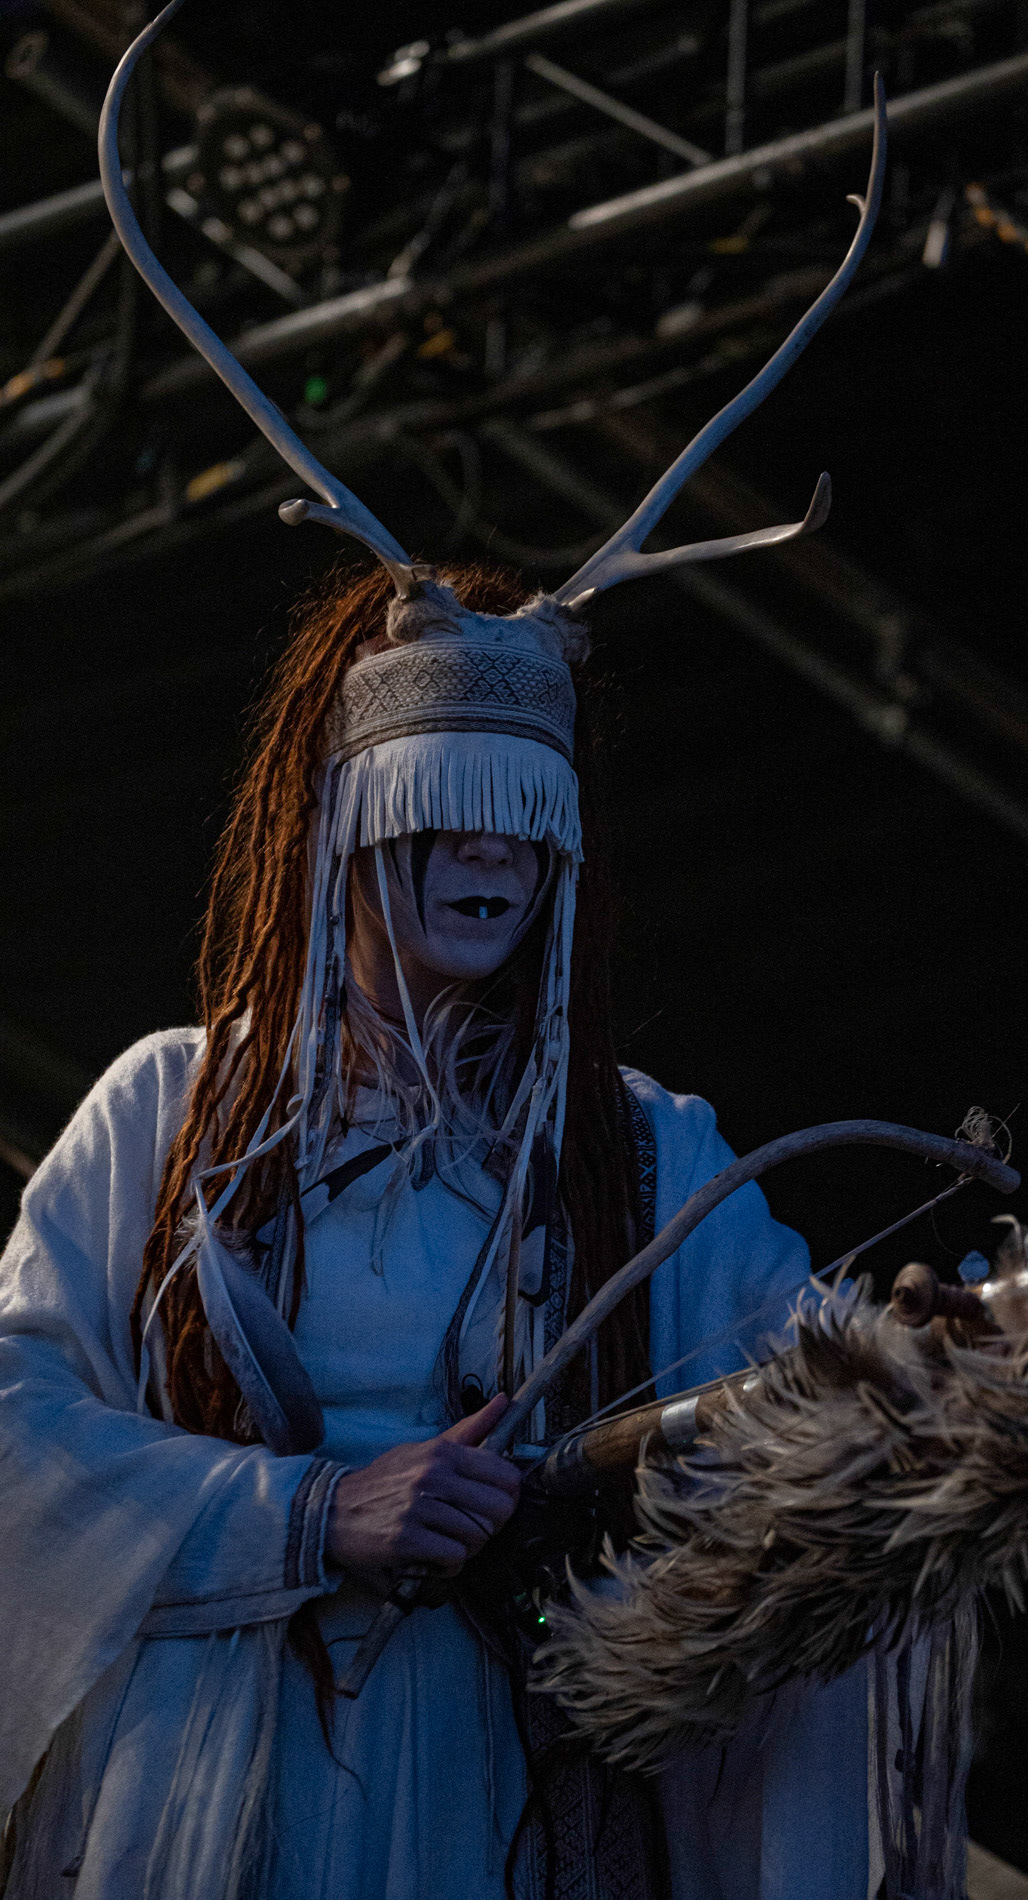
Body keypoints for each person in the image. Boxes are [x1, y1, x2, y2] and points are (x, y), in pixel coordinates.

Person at [0, 561, 873, 1900]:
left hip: (503, 1779)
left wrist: (994, 1370)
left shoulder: (640, 1149)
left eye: (528, 816)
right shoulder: (173, 1110)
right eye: (450, 808)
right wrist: (314, 1511)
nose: (493, 853)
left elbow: (814, 1393)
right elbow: (16, 1422)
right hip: (208, 1785)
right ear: (344, 821)